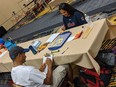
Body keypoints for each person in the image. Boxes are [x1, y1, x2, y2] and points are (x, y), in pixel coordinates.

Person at [9, 46, 73, 87]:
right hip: (48, 85)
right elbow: (48, 82)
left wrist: (40, 70)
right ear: (19, 55)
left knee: (49, 69)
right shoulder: (29, 70)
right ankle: (72, 83)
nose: (25, 56)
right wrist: (50, 66)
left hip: (37, 84)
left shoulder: (13, 72)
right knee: (65, 64)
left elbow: (28, 79)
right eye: (24, 54)